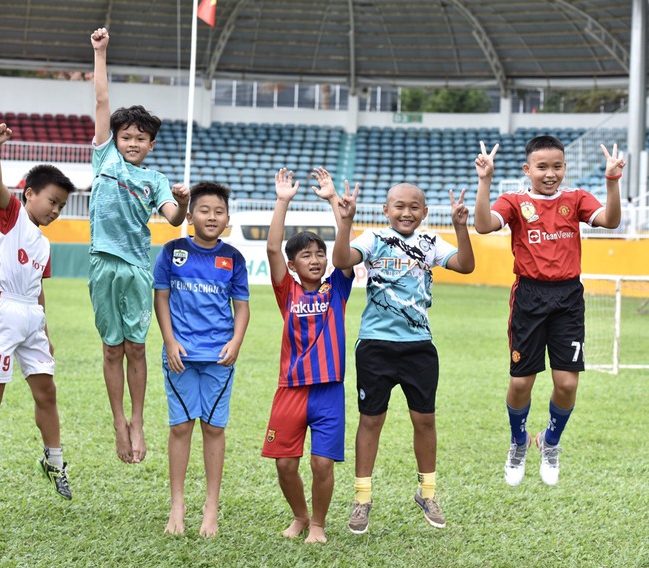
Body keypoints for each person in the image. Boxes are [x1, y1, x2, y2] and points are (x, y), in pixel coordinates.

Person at [474, 136, 624, 487]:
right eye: (542, 167)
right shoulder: (515, 201)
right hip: (529, 296)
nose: (550, 173)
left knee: (567, 382)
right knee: (521, 381)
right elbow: (483, 225)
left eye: (557, 166)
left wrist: (612, 181)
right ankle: (518, 441)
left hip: (568, 297)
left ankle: (550, 442)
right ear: (528, 170)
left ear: (565, 169)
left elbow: (611, 220)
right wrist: (485, 180)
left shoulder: (577, 199)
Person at [333, 181, 475, 533]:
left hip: (419, 347)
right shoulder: (371, 238)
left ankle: (427, 493)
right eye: (398, 206)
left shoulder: (430, 243)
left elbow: (466, 265)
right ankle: (362, 499)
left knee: (424, 421)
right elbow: (340, 261)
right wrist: (345, 221)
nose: (406, 212)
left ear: (424, 213)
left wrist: (460, 227)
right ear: (385, 210)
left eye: (414, 207)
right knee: (370, 421)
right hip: (375, 346)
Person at [0, 123, 76, 511]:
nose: (55, 210)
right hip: (5, 312)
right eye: (52, 201)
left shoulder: (44, 242)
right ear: (29, 195)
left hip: (32, 319)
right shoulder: (13, 217)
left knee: (47, 391)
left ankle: (54, 461)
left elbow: (39, 287)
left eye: (61, 206)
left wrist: (45, 327)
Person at [89, 27, 190, 464]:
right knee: (111, 348)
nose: (132, 143)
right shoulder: (104, 157)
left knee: (136, 348)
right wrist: (101, 52)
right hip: (102, 264)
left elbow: (172, 218)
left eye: (140, 139)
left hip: (136, 268)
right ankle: (117, 422)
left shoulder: (155, 179)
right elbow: (101, 100)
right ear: (115, 139)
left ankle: (138, 420)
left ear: (151, 145)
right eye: (126, 136)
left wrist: (183, 203)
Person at [261, 168, 355, 544]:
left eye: (319, 254)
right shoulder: (288, 292)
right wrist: (282, 201)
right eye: (306, 256)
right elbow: (272, 249)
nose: (315, 260)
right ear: (294, 265)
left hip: (328, 391)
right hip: (291, 389)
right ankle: (299, 516)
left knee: (321, 463)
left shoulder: (338, 288)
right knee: (285, 464)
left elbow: (344, 251)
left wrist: (335, 201)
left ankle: (317, 524)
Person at [153, 182, 250, 537]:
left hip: (218, 357)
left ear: (227, 219)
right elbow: (161, 299)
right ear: (190, 216)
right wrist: (170, 341)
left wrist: (236, 342)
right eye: (204, 210)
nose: (212, 216)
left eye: (219, 211)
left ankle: (211, 506)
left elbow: (242, 308)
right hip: (179, 355)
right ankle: (177, 505)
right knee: (180, 427)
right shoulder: (172, 251)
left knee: (213, 428)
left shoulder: (234, 259)